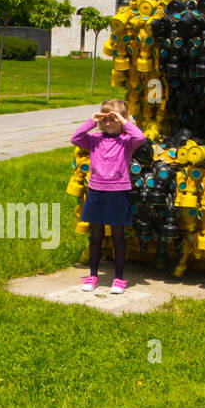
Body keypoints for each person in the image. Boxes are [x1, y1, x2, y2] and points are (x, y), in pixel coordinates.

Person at [70, 99, 145, 294]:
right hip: (96, 191)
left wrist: (123, 120)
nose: (109, 123)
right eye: (105, 119)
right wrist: (92, 121)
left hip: (118, 192)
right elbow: (76, 138)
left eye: (113, 119)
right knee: (96, 236)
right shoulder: (94, 139)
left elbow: (140, 137)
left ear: (121, 119)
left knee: (118, 237)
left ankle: (119, 278)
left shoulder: (127, 141)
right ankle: (93, 275)